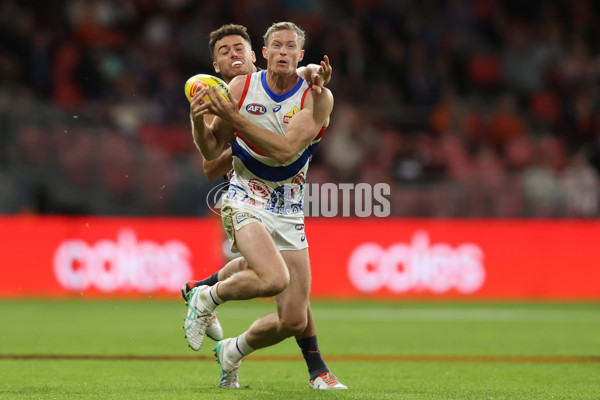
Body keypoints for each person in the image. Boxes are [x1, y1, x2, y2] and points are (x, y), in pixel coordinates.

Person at [186, 22, 343, 390]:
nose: (284, 51)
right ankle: (206, 297)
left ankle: (231, 350)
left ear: (300, 55)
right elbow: (210, 157)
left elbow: (288, 150)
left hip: (289, 206)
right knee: (273, 277)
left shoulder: (317, 93)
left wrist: (234, 120)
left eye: (291, 47)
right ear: (266, 52)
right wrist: (198, 120)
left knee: (293, 319)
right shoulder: (239, 89)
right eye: (278, 45)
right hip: (245, 197)